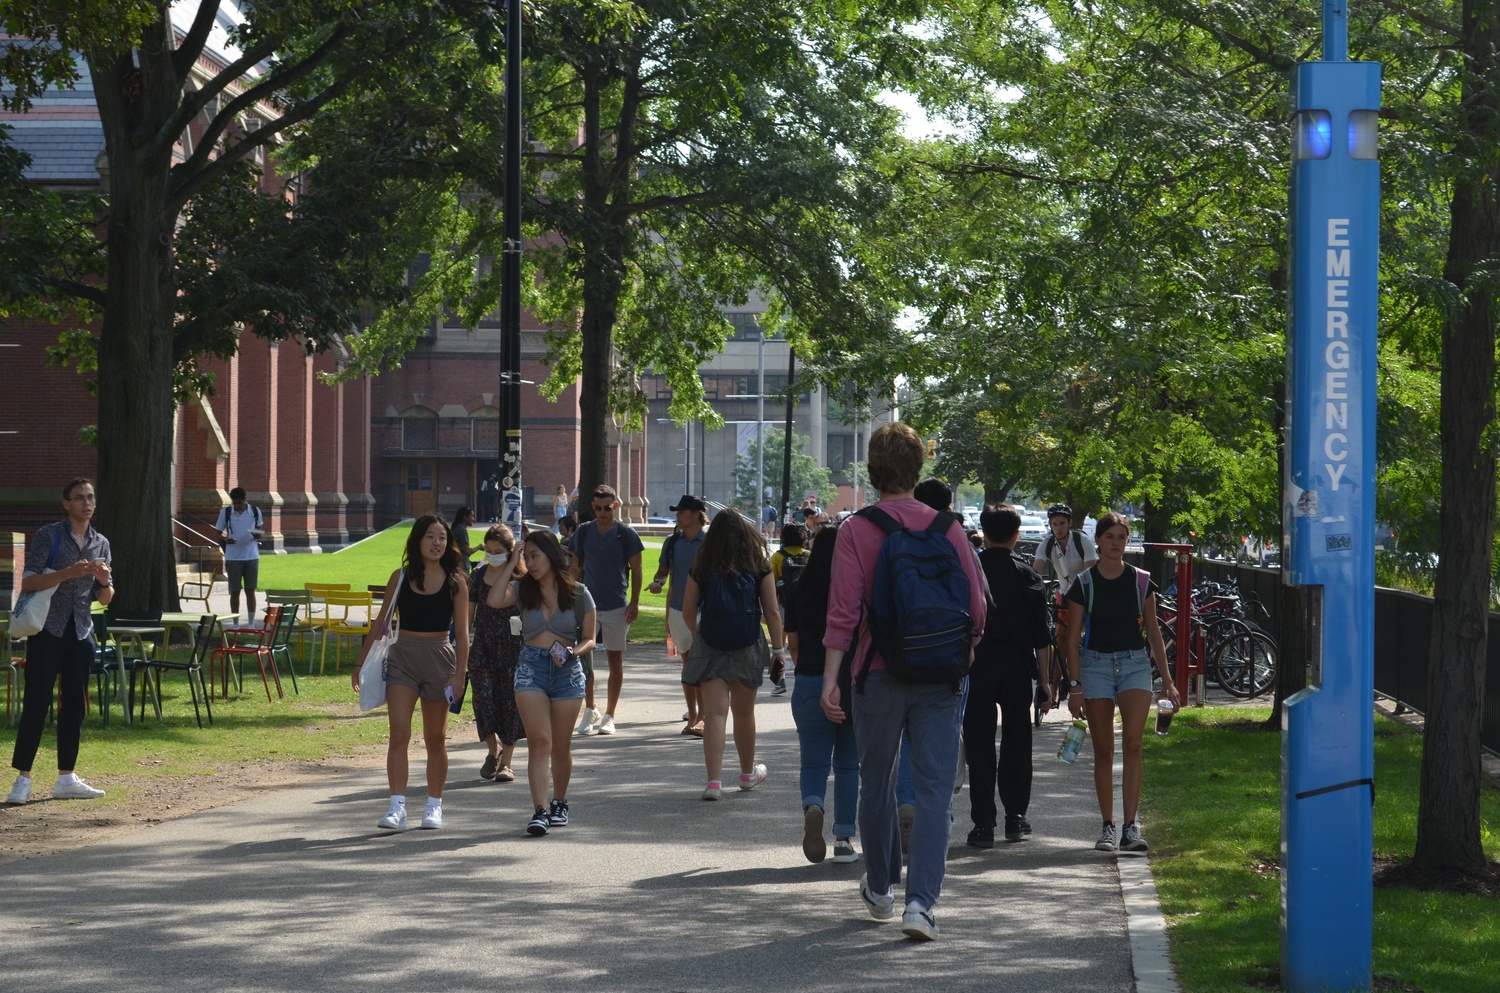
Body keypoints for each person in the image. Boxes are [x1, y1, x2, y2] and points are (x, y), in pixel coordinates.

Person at [820, 422, 987, 942]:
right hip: (940, 676)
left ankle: (880, 887)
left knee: (877, 784)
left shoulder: (856, 529)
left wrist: (830, 679)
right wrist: (964, 649)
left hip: (876, 674)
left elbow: (843, 613)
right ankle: (922, 905)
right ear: (919, 469)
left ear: (873, 472)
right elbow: (978, 611)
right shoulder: (949, 528)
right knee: (935, 793)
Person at [1064, 511, 1178, 853]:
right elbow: (1072, 639)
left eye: (1122, 538)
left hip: (1134, 664)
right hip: (1095, 665)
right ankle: (1107, 827)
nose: (1116, 543)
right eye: (1110, 536)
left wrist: (1168, 681)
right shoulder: (1084, 583)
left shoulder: (1141, 580)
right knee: (1103, 749)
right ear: (1097, 540)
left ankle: (1131, 827)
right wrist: (1074, 686)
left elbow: (1155, 633)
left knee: (1133, 745)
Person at [353, 515, 469, 831]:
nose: (437, 543)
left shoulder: (457, 581)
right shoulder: (400, 577)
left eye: (442, 537)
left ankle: (434, 806)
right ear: (417, 541)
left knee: (436, 738)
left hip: (440, 658)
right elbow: (380, 624)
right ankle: (397, 807)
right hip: (402, 657)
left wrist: (460, 675)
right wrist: (360, 664)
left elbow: (463, 633)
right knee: (399, 733)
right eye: (430, 536)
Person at [7, 478, 115, 805]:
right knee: (37, 704)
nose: (86, 502)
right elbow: (29, 582)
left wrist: (105, 581)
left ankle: (66, 777)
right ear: (65, 503)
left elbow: (106, 599)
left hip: (81, 631)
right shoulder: (49, 535)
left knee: (74, 707)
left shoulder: (100, 542)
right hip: (47, 630)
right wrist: (67, 573)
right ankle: (22, 779)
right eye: (79, 497)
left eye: (90, 497)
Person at [485, 530, 597, 836]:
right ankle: (540, 810)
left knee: (560, 747)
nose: (530, 563)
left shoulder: (578, 592)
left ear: (551, 555)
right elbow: (494, 599)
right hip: (531, 668)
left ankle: (559, 801)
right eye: (527, 556)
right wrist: (513, 560)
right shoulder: (522, 590)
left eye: (536, 556)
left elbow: (589, 638)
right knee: (539, 743)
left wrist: (574, 651)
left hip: (567, 671)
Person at [681, 509, 788, 800]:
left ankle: (713, 783)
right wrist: (778, 650)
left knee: (715, 714)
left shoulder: (703, 564)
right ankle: (746, 774)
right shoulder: (758, 564)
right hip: (747, 643)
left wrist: (698, 636)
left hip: (711, 643)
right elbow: (773, 612)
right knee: (744, 712)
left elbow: (688, 610)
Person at [964, 506, 1053, 848]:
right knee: (1017, 741)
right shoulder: (1028, 576)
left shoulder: (971, 571)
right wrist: (1044, 681)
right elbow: (1041, 636)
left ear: (983, 533)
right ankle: (1016, 816)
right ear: (1017, 535)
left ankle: (983, 823)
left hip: (978, 666)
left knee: (979, 744)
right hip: (1016, 666)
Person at [785, 522, 859, 863]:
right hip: (849, 683)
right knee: (848, 765)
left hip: (810, 679)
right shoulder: (855, 589)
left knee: (812, 763)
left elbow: (794, 643)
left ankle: (813, 804)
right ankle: (844, 838)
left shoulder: (800, 587)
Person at [567, 484, 643, 736]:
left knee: (614, 660)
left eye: (607, 507)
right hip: (588, 605)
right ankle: (590, 709)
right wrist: (567, 596)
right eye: (598, 508)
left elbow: (638, 569)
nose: (602, 512)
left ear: (615, 506)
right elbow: (575, 567)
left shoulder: (625, 533)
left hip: (617, 605)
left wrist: (634, 603)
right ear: (592, 507)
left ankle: (610, 715)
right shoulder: (584, 532)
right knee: (583, 660)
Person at [647, 495, 709, 736]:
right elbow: (663, 571)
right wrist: (657, 582)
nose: (677, 516)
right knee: (688, 666)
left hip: (705, 611)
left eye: (681, 512)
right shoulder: (672, 542)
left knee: (702, 663)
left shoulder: (710, 543)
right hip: (677, 610)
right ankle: (692, 715)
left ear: (695, 514)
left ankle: (703, 717)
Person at [468, 524, 526, 783]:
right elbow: (469, 616)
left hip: (511, 646)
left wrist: (514, 563)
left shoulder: (520, 578)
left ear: (510, 551)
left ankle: (507, 763)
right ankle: (493, 751)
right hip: (483, 646)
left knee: (508, 701)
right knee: (482, 698)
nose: (492, 555)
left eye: (498, 551)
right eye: (488, 550)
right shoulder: (478, 576)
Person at [216, 486, 263, 623]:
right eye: (234, 503)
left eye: (239, 503)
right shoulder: (226, 512)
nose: (237, 506)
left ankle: (251, 622)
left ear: (245, 500)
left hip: (251, 556)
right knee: (235, 591)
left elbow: (260, 531)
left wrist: (256, 534)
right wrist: (226, 539)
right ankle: (235, 622)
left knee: (250, 590)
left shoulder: (254, 511)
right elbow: (217, 533)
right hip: (233, 557)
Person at [450, 506, 476, 572]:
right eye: (472, 516)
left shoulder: (456, 527)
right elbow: (467, 551)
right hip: (462, 566)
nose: (473, 519)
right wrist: (480, 546)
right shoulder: (461, 530)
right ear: (465, 517)